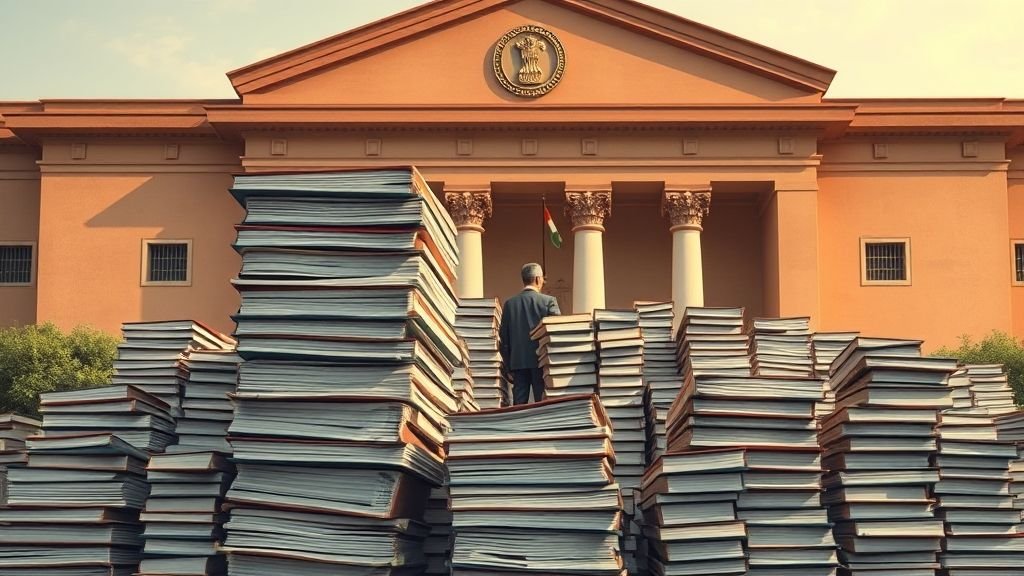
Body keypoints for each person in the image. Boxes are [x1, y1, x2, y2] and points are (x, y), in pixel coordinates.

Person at [499, 263, 561, 405]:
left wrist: (508, 366)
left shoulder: (510, 304)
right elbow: (557, 333)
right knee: (543, 404)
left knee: (519, 405)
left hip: (518, 362)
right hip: (543, 362)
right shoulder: (549, 302)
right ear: (538, 279)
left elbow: (504, 339)